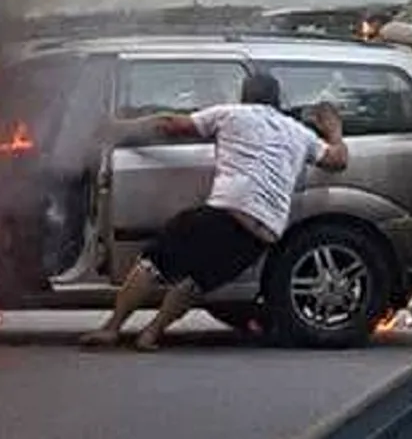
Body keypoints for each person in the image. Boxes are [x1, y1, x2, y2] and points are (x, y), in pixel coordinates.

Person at [79, 71, 349, 352]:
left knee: (153, 261)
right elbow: (338, 159)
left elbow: (169, 124)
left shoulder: (232, 115)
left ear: (244, 95)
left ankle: (111, 328)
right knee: (196, 283)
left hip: (228, 212)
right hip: (263, 234)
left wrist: (118, 128)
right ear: (276, 100)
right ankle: (151, 333)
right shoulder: (298, 132)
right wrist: (334, 131)